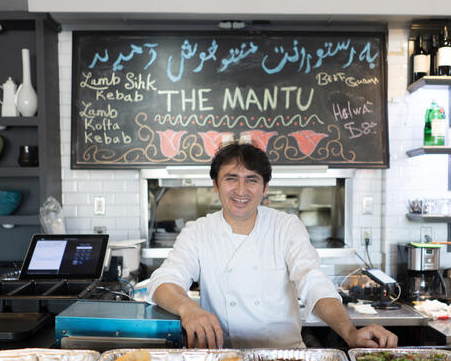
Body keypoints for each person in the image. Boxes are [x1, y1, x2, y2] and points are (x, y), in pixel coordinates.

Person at [148, 142, 398, 349]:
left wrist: (350, 332)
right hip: (221, 359)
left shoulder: (286, 226)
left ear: (265, 187)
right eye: (231, 178)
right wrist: (187, 307)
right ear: (215, 185)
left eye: (252, 180)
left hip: (285, 358)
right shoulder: (198, 231)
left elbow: (313, 282)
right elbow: (164, 281)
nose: (241, 190)